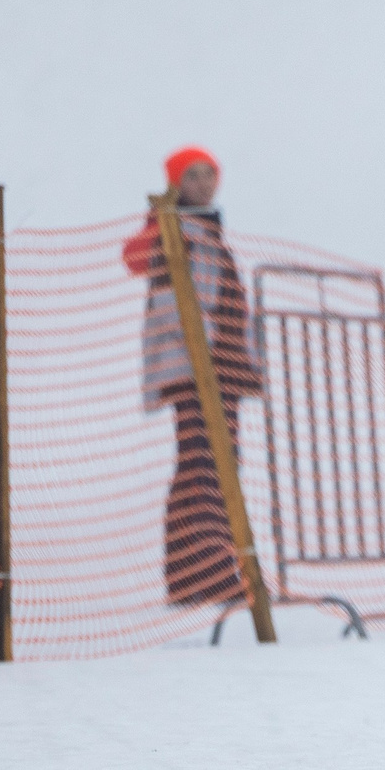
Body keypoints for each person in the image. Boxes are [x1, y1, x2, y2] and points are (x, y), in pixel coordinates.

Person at [120, 147, 265, 608]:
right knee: (207, 468)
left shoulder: (207, 231)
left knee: (205, 468)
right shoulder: (176, 230)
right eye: (192, 175)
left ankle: (189, 578)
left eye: (210, 174)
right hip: (197, 372)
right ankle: (219, 577)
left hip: (221, 372)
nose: (203, 183)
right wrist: (200, 355)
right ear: (175, 182)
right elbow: (144, 268)